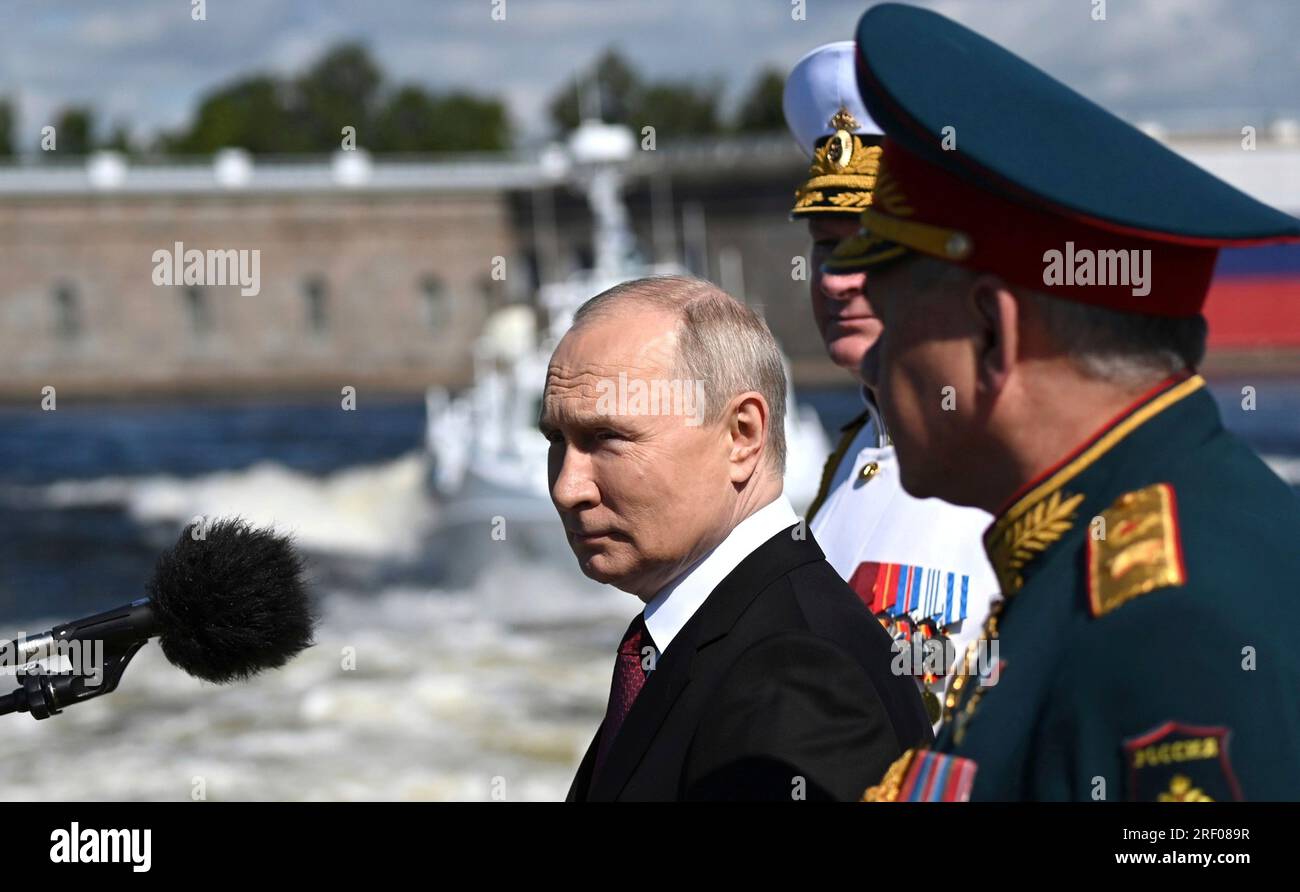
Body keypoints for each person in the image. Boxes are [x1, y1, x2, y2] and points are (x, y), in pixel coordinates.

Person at [830, 3, 1300, 802]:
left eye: (892, 315)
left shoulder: (1167, 627)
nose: (872, 358)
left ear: (991, 334)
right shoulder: (1120, 547)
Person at [543, 275, 931, 801]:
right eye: (557, 440)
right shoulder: (725, 634)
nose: (568, 487)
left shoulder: (796, 676)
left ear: (742, 435)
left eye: (606, 438)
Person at [783, 41, 999, 725]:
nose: (835, 279)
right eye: (825, 245)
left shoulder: (1008, 471)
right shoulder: (847, 461)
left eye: (871, 245)